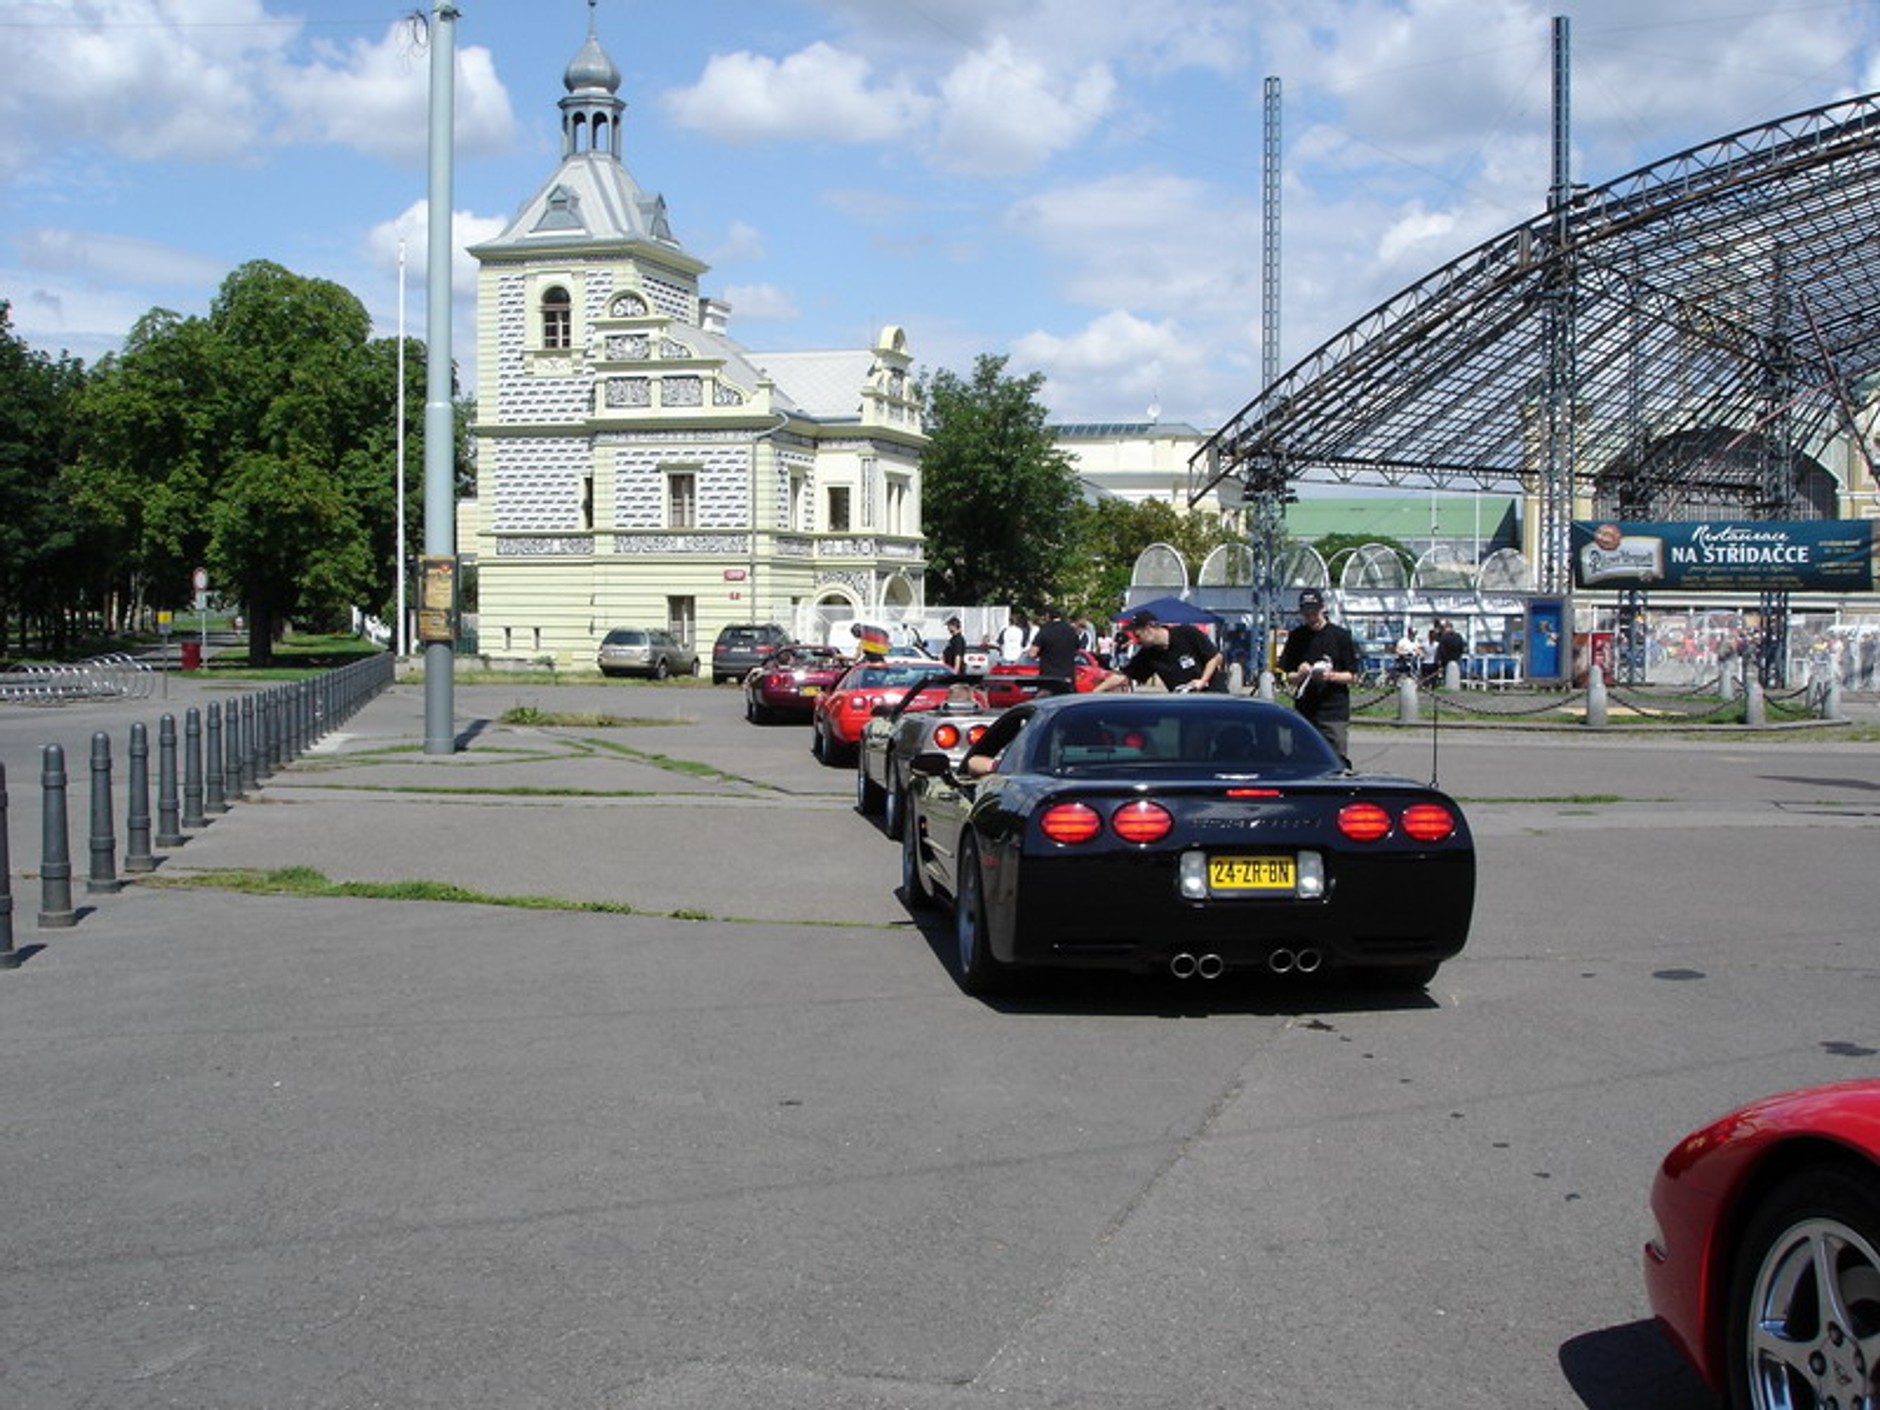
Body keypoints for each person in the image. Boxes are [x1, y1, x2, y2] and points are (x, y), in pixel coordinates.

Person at [1277, 588, 1359, 766]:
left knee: (1336, 759)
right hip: (1305, 709)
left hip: (1333, 711)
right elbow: (1287, 675)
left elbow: (1352, 676)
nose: (1310, 616)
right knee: (1302, 758)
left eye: (1313, 611)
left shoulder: (1340, 636)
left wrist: (1330, 676)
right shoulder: (1297, 636)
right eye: (1306, 612)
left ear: (1322, 608)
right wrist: (1300, 674)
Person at [1095, 609, 1224, 693]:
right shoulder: (1148, 654)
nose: (1136, 640)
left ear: (1149, 628)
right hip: (1184, 704)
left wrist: (1202, 680)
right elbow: (1123, 675)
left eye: (1138, 635)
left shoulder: (1186, 633)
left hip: (1212, 696)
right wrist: (1095, 692)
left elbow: (1214, 657)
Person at [1026, 605, 1082, 687]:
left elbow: (1032, 653)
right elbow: (1077, 649)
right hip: (1068, 677)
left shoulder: (1045, 630)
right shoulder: (1070, 630)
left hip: (1049, 677)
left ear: (1047, 615)